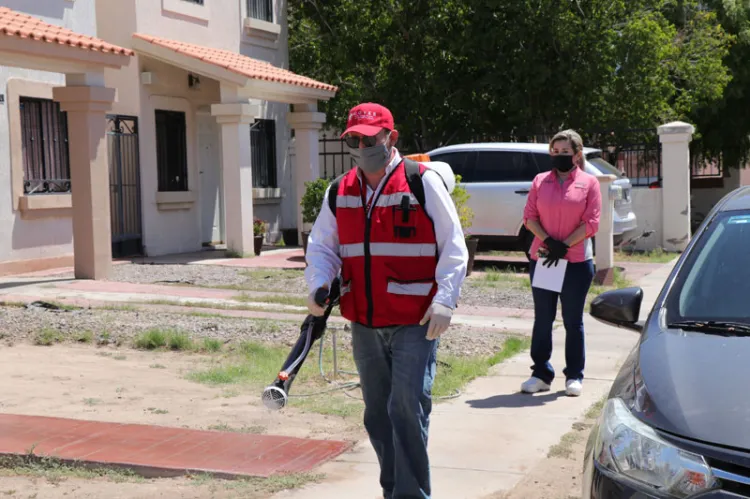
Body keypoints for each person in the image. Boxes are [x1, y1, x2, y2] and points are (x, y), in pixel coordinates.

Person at [304, 102, 469, 499]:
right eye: (354, 140)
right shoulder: (339, 190)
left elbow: (454, 245)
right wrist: (318, 284)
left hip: (416, 320)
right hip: (364, 321)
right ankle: (393, 489)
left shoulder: (420, 182)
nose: (361, 146)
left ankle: (411, 496)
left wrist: (446, 299)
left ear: (391, 138)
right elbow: (323, 246)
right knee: (377, 414)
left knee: (406, 409)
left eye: (369, 138)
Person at [521, 129, 602, 397]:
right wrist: (548, 242)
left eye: (564, 152)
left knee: (572, 320)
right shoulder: (540, 181)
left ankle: (574, 375)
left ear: (577, 155)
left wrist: (565, 244)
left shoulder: (590, 183)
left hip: (577, 261)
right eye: (554, 152)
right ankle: (541, 374)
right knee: (543, 318)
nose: (558, 156)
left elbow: (591, 222)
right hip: (545, 259)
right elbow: (529, 217)